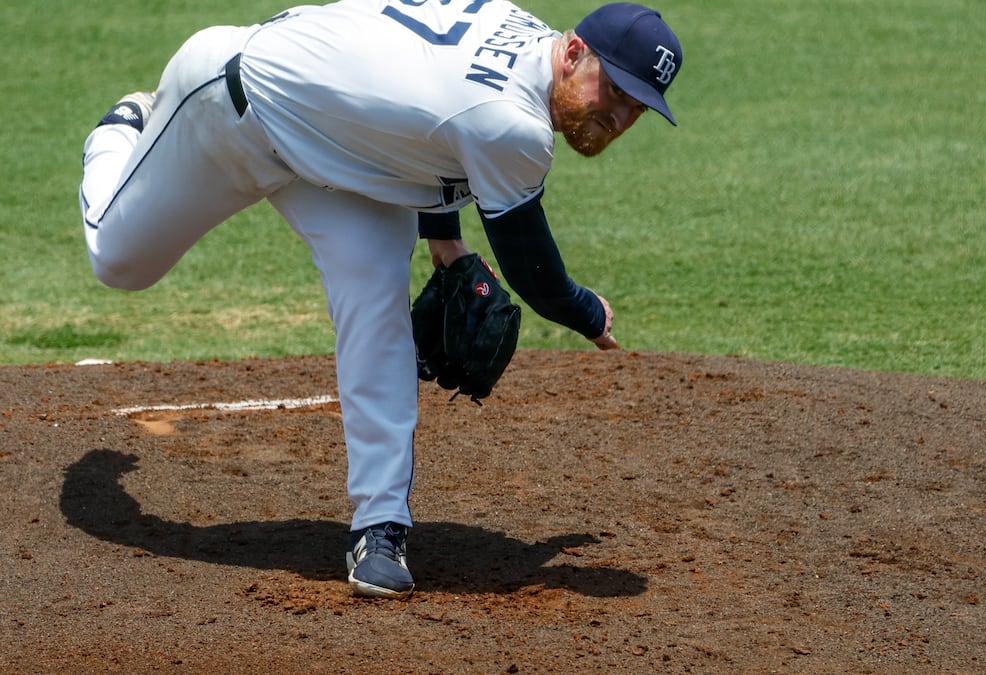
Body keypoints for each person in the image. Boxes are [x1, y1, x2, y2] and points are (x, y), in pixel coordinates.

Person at [77, 0, 682, 599]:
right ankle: (124, 127)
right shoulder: (514, 124)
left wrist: (444, 241)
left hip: (343, 164)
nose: (621, 116)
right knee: (118, 261)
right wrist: (587, 312)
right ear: (574, 51)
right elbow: (534, 271)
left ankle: (379, 528)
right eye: (615, 90)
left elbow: (428, 129)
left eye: (638, 107)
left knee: (377, 307)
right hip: (233, 110)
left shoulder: (522, 39)